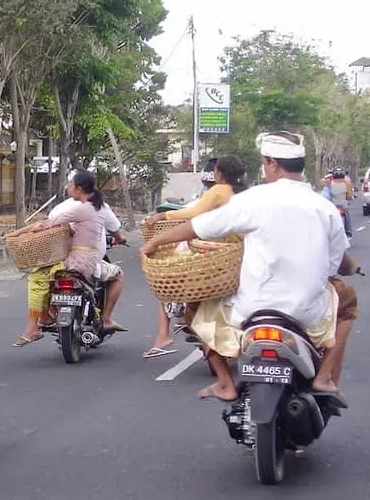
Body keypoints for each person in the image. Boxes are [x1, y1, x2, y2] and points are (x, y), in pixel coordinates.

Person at [140, 131, 353, 403]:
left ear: (272, 163)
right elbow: (336, 264)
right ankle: (324, 378)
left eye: (265, 162)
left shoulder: (253, 199)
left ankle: (225, 383)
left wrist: (154, 242)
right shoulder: (324, 208)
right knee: (348, 302)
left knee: (193, 305)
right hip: (306, 312)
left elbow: (196, 226)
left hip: (251, 309)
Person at [141, 156, 248, 359]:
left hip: (217, 250)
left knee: (172, 273)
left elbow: (194, 212)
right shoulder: (243, 193)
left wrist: (162, 216)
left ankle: (176, 322)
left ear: (220, 174)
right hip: (239, 250)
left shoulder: (218, 190)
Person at [8, 170, 127, 347]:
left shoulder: (80, 208)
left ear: (79, 188)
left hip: (79, 261)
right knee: (118, 276)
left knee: (37, 278)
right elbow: (113, 229)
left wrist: (15, 234)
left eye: (70, 184)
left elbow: (45, 225)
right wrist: (120, 239)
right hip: (90, 260)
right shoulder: (99, 206)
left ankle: (34, 326)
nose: (67, 187)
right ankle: (106, 318)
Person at [323, 167, 353, 237]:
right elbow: (349, 197)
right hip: (343, 206)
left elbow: (326, 195)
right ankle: (348, 230)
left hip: (332, 206)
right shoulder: (347, 184)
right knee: (347, 214)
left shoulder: (329, 184)